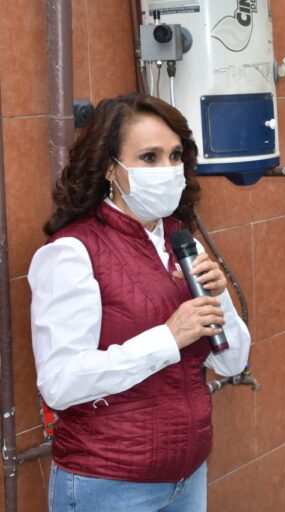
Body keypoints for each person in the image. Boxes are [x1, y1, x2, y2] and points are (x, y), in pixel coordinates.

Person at [29, 93, 252, 511]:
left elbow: (231, 363)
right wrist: (168, 338)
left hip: (187, 477)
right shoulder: (72, 252)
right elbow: (59, 383)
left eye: (174, 156)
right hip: (107, 483)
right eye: (149, 157)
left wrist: (222, 301)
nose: (167, 171)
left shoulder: (182, 242)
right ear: (111, 168)